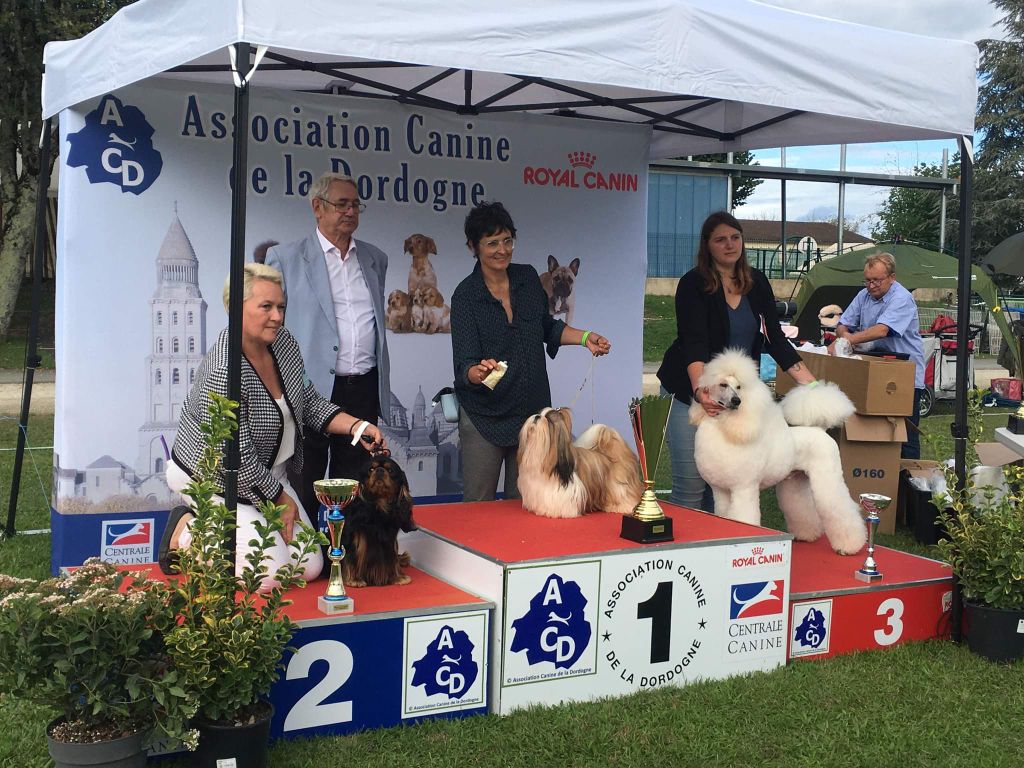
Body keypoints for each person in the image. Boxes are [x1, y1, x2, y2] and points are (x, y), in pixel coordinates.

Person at [159, 263, 387, 589]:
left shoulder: (284, 344)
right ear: (236, 308)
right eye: (266, 307)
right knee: (264, 577)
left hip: (269, 474)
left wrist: (356, 427)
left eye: (281, 307)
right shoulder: (223, 369)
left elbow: (307, 401)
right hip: (217, 480)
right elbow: (234, 456)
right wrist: (281, 499)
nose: (277, 316)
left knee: (309, 567)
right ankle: (188, 531)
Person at [450, 201, 612, 502]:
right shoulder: (465, 296)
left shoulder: (527, 278)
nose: (502, 249)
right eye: (492, 243)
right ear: (474, 246)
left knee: (529, 502)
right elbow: (465, 365)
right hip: (485, 416)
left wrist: (586, 337)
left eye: (508, 240)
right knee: (477, 508)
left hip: (533, 417)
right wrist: (478, 372)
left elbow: (546, 326)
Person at [657, 211, 815, 511]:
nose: (730, 245)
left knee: (726, 483)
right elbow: (695, 343)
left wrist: (812, 384)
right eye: (720, 240)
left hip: (735, 398)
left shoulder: (757, 283)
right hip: (688, 391)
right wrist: (701, 393)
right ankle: (688, 553)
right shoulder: (692, 284)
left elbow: (774, 339)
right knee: (692, 487)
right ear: (708, 246)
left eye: (735, 238)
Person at [265, 172, 391, 520]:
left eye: (356, 205)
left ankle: (350, 560)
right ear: (317, 207)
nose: (350, 211)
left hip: (363, 386)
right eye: (342, 204)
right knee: (305, 483)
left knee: (358, 485)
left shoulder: (374, 259)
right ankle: (305, 561)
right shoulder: (286, 258)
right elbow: (271, 328)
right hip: (310, 390)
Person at [830, 252, 926, 459]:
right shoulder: (863, 295)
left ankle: (909, 483)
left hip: (905, 376)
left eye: (877, 280)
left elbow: (883, 330)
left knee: (904, 433)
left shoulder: (902, 298)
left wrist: (847, 341)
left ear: (892, 278)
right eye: (868, 280)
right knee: (876, 428)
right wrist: (844, 335)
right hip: (875, 371)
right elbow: (842, 323)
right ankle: (881, 473)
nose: (871, 285)